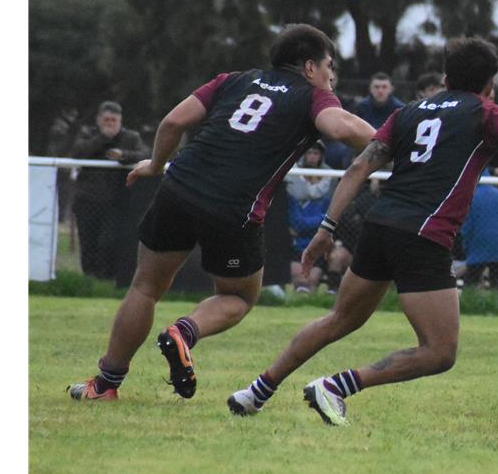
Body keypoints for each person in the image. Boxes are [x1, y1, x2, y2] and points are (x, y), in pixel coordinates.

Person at [227, 38, 498, 425]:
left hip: (379, 225)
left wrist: (327, 228)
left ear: (446, 77)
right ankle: (336, 386)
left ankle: (255, 392)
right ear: (490, 84)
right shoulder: (486, 112)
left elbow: (358, 168)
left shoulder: (410, 112)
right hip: (423, 234)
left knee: (338, 319)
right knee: (440, 352)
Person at [67, 24, 374, 402]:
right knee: (240, 297)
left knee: (145, 287)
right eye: (329, 66)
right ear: (310, 67)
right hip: (233, 207)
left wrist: (154, 165)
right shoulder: (313, 97)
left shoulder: (235, 80)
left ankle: (104, 384)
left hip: (178, 187)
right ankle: (184, 332)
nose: (331, 76)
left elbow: (174, 122)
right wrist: (392, 141)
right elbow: (340, 127)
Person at [70, 101, 151, 280]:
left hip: (116, 201)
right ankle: (90, 281)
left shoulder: (131, 137)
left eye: (113, 120)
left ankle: (108, 279)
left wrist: (123, 156)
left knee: (109, 242)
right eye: (106, 120)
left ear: (120, 120)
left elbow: (145, 154)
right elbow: (77, 152)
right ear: (98, 120)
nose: (110, 124)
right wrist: (103, 139)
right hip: (87, 200)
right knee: (88, 244)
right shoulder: (87, 134)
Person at [286, 142, 335, 293]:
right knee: (299, 278)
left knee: (312, 279)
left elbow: (329, 218)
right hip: (297, 244)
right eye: (309, 153)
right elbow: (297, 222)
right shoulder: (293, 197)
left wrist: (318, 223)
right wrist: (319, 222)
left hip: (318, 243)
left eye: (316, 154)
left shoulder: (327, 197)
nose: (312, 157)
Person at [458, 171, 498, 290]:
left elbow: (466, 226)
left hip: (479, 243)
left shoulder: (470, 195)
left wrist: (465, 246)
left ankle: (469, 299)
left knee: (471, 280)